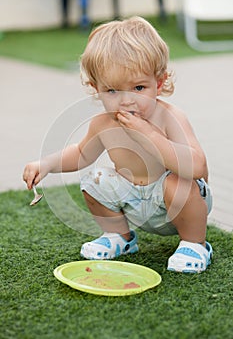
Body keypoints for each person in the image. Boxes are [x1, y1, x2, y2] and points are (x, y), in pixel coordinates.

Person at [23, 16, 213, 273]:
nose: (126, 101)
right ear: (96, 89)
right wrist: (46, 164)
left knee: (176, 181)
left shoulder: (170, 117)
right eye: (112, 91)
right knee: (94, 179)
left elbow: (198, 167)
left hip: (178, 202)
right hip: (135, 201)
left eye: (138, 87)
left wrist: (150, 134)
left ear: (158, 82)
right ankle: (120, 237)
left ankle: (195, 243)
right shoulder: (103, 124)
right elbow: (81, 154)